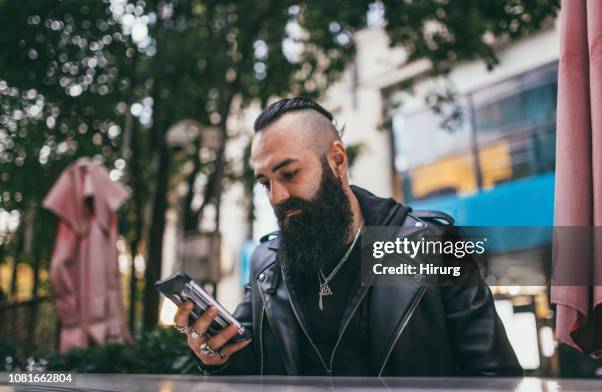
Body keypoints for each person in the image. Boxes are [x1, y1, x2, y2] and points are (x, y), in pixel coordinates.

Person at [173, 97, 522, 376]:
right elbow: (250, 369)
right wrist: (214, 356)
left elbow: (495, 376)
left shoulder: (432, 245)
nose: (276, 197)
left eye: (290, 174)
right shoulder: (266, 264)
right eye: (265, 183)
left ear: (337, 161)